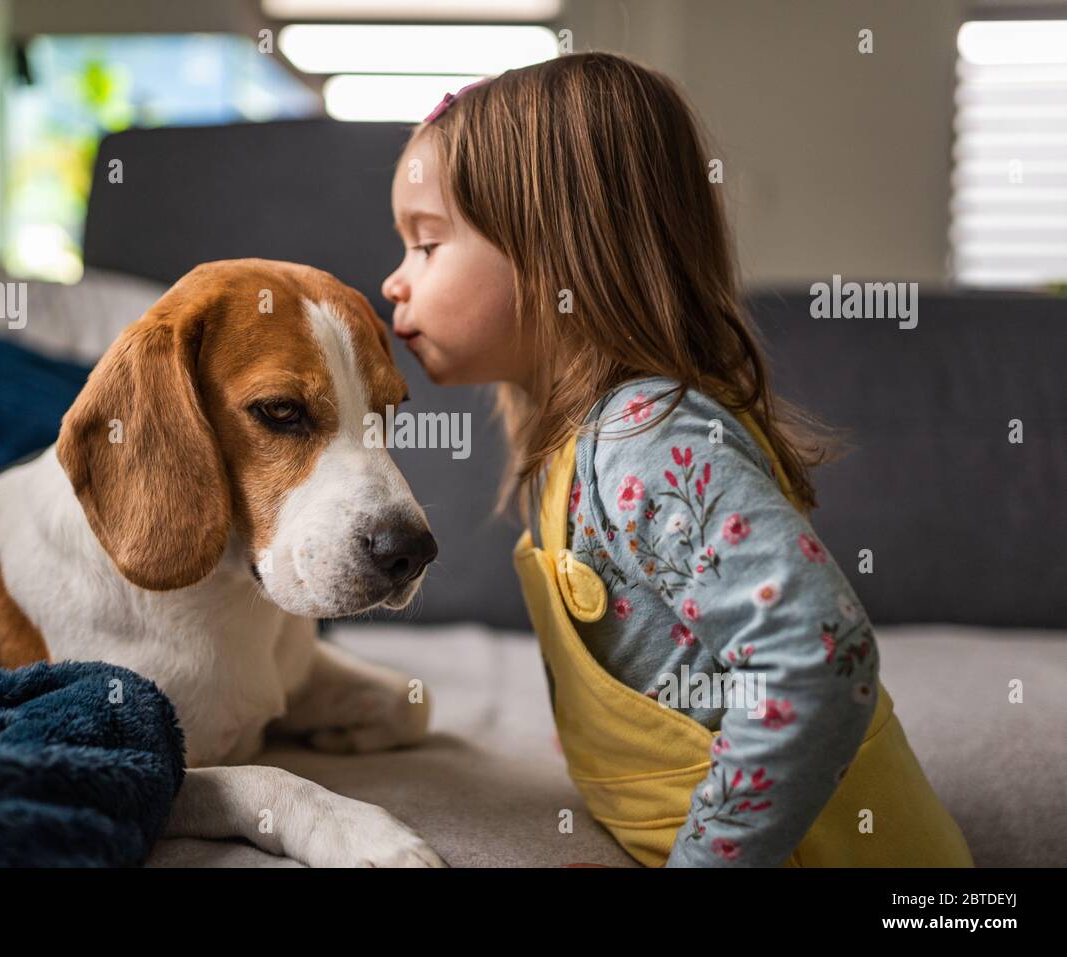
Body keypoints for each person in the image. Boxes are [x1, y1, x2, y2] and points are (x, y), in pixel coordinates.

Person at [382, 52, 972, 867]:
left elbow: (818, 655)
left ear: (558, 251)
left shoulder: (644, 440)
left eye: (427, 243)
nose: (394, 282)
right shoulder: (582, 446)